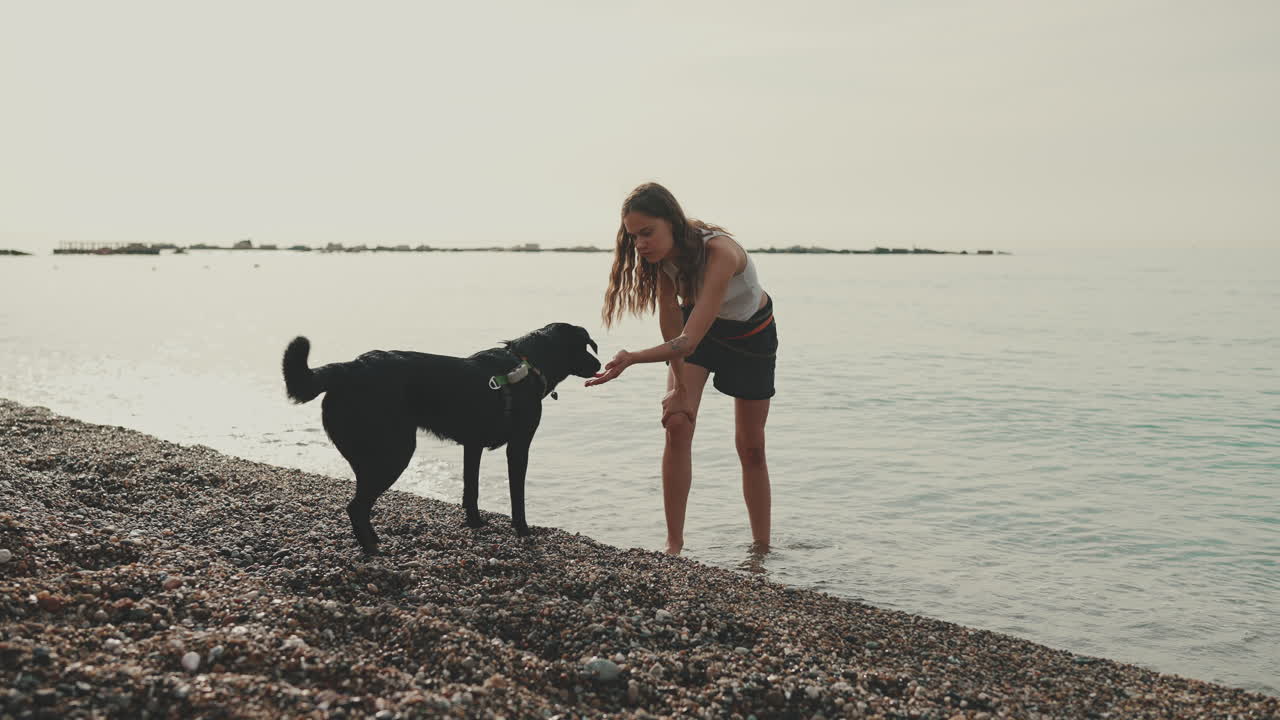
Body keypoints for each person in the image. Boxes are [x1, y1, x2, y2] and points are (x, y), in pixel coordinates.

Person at [585, 182, 778, 556]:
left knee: (751, 446)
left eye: (647, 233)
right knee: (677, 422)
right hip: (698, 331)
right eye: (633, 236)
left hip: (751, 336)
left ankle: (761, 551)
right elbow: (673, 325)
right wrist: (679, 388)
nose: (640, 244)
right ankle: (674, 546)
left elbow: (687, 340)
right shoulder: (663, 259)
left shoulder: (719, 252)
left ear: (671, 222)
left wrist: (632, 358)